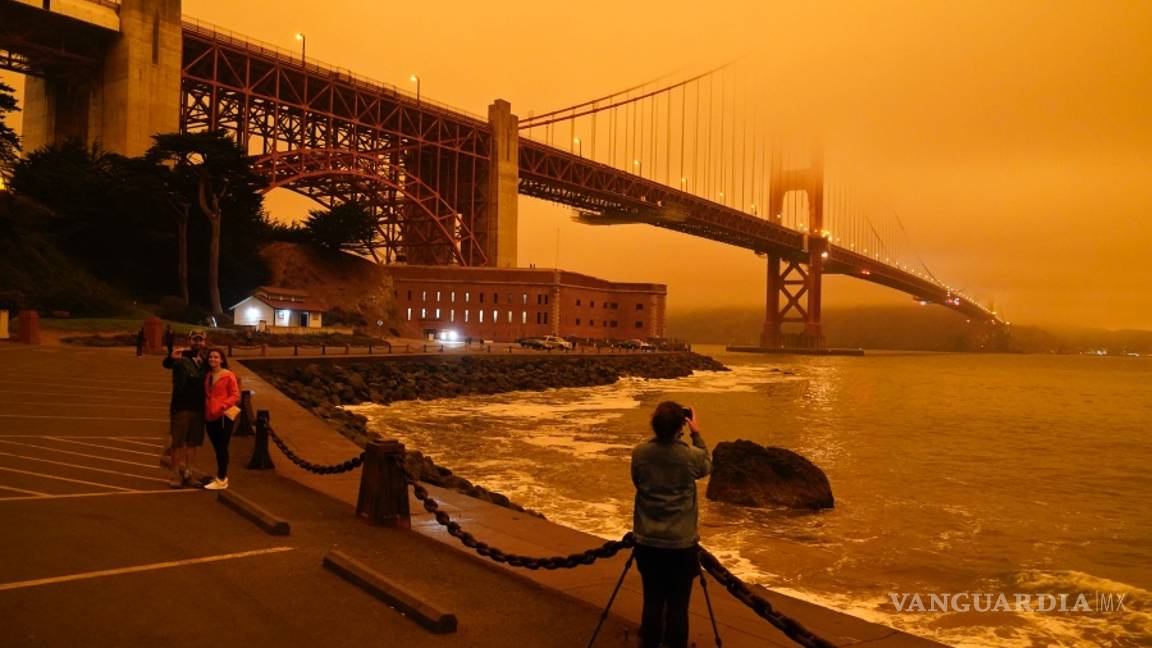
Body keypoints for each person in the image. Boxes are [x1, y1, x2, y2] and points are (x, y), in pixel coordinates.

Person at [630, 401, 712, 648]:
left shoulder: (640, 453)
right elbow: (707, 464)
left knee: (652, 600)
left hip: (647, 541)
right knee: (678, 605)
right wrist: (696, 433)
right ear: (681, 426)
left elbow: (637, 481)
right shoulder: (690, 456)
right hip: (681, 544)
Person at [162, 330, 208, 488]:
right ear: (189, 340)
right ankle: (174, 474)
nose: (197, 342)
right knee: (177, 443)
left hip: (199, 408)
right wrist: (171, 357)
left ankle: (188, 473)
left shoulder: (206, 359)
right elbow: (167, 364)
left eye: (200, 340)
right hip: (181, 407)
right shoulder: (181, 356)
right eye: (194, 340)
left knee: (193, 443)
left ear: (204, 342)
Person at [202, 348, 239, 490]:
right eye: (210, 357)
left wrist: (223, 405)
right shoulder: (208, 375)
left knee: (222, 448)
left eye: (216, 357)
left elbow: (235, 395)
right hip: (210, 416)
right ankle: (221, 476)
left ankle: (222, 478)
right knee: (217, 448)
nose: (212, 359)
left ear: (222, 360)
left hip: (223, 417)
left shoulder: (228, 375)